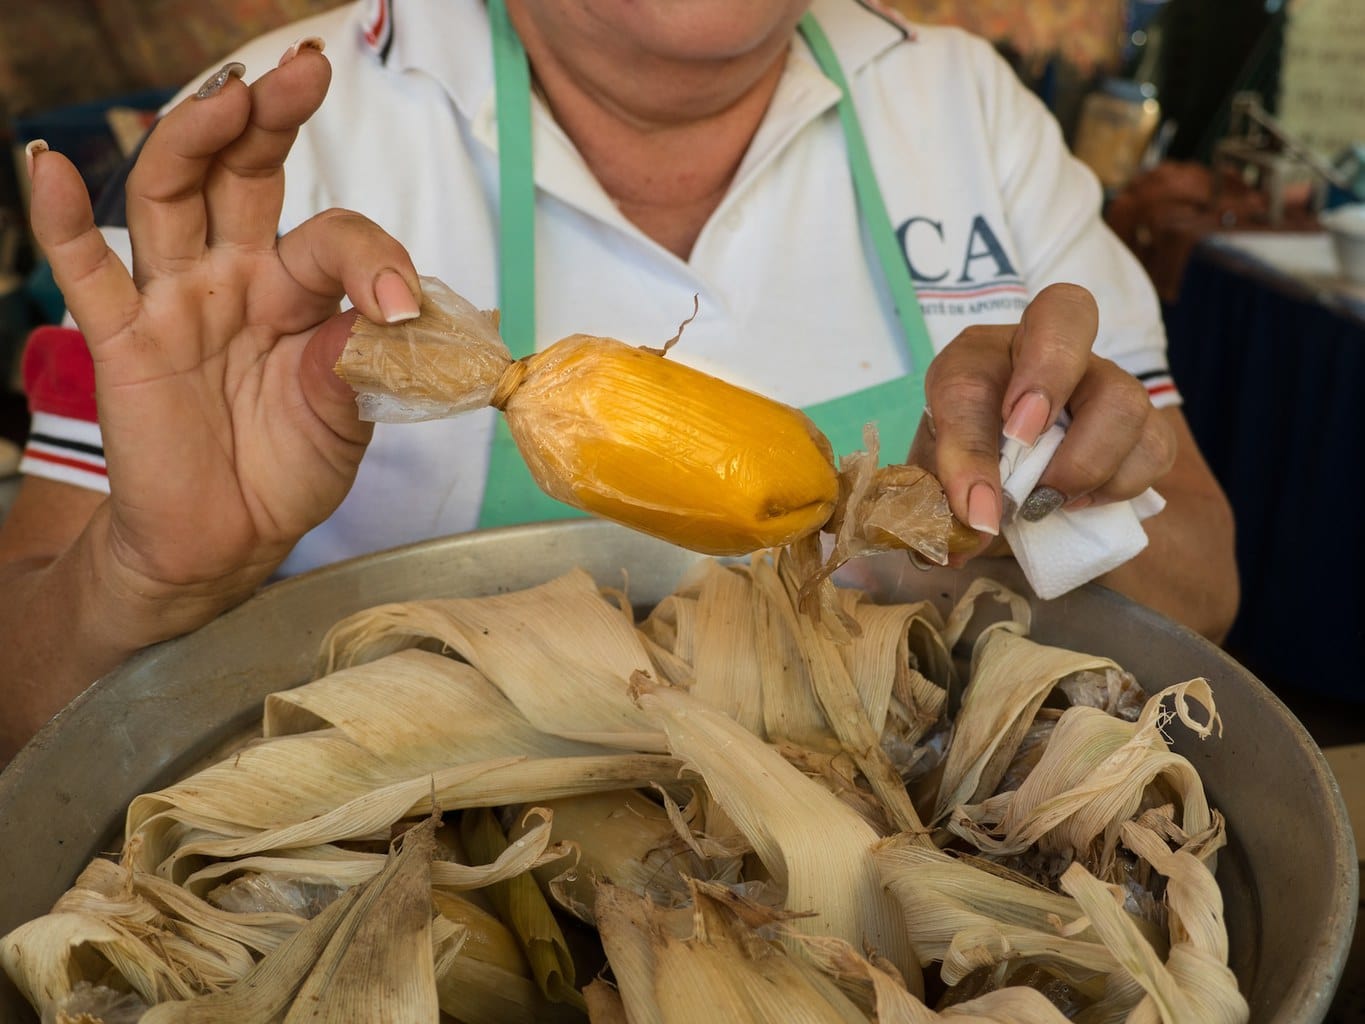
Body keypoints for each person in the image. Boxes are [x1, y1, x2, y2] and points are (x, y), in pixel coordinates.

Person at [0, 0, 1237, 762]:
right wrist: (143, 578)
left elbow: (1207, 589)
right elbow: (23, 723)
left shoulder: (968, 109)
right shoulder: (275, 140)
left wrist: (1029, 500)